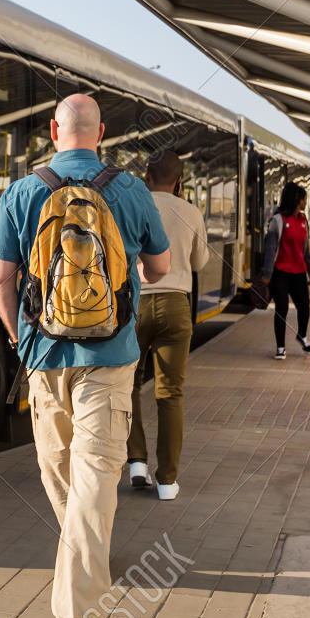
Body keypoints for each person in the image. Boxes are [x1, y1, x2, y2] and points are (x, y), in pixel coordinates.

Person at [0, 94, 170, 618]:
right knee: (94, 477)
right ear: (102, 133)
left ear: (53, 130)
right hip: (110, 359)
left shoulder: (22, 190)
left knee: (63, 472)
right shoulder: (132, 189)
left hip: (43, 359)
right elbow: (158, 268)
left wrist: (22, 339)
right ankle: (83, 600)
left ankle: (77, 605)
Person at [126, 150, 209, 500]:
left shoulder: (134, 205)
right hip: (176, 306)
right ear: (180, 180)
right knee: (169, 394)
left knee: (128, 385)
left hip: (136, 304)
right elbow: (200, 261)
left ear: (147, 175)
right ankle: (167, 482)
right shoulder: (191, 212)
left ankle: (136, 462)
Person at [258, 181, 310, 360]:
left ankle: (302, 335)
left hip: (299, 272)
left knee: (304, 307)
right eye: (304, 199)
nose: (306, 203)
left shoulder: (303, 220)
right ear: (297, 200)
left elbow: (305, 250)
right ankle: (281, 347)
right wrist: (267, 274)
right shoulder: (278, 221)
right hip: (280, 272)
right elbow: (270, 248)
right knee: (281, 310)